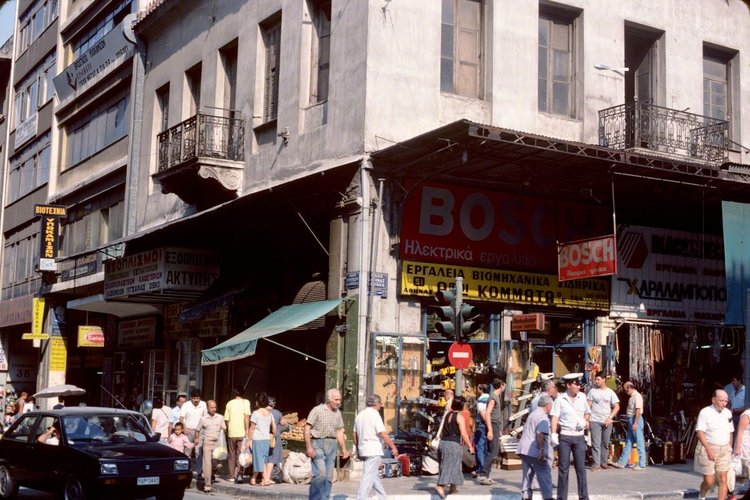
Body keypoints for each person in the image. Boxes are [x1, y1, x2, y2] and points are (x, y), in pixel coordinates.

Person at [304, 388, 350, 500]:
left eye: (340, 400)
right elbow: (307, 428)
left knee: (329, 477)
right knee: (321, 474)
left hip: (332, 445)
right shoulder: (317, 410)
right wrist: (309, 446)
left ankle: (324, 498)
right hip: (317, 443)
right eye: (336, 399)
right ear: (329, 399)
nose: (339, 402)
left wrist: (344, 448)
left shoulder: (338, 413)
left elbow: (339, 431)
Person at [551, 373, 590, 500]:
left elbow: (587, 413)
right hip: (565, 435)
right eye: (576, 384)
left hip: (578, 436)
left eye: (579, 384)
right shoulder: (560, 399)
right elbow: (555, 417)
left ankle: (583, 497)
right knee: (563, 469)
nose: (579, 386)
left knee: (581, 469)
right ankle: (562, 497)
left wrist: (584, 421)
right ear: (568, 385)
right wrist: (553, 433)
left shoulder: (583, 397)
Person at [353, 394, 398, 500]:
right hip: (373, 450)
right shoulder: (375, 415)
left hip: (363, 450)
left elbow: (354, 434)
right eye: (380, 404)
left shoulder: (360, 415)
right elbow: (383, 433)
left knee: (373, 476)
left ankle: (382, 497)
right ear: (376, 404)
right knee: (367, 478)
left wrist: (358, 448)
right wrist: (393, 447)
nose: (380, 406)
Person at [695, 389, 733, 500]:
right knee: (709, 480)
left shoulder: (728, 413)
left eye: (726, 401)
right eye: (721, 400)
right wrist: (708, 449)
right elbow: (700, 432)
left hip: (724, 449)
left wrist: (730, 447)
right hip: (708, 447)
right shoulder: (705, 412)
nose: (724, 403)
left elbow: (731, 431)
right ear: (713, 400)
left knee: (723, 479)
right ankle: (702, 494)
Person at [435, 396, 474, 499]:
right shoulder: (459, 417)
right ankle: (440, 485)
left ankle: (453, 487)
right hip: (453, 444)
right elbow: (464, 434)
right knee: (450, 465)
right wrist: (470, 446)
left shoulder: (448, 414)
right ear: (461, 406)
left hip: (443, 443)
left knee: (451, 465)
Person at [518, 394, 554, 500]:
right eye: (551, 405)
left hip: (524, 449)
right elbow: (540, 433)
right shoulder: (543, 417)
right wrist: (541, 449)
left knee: (527, 475)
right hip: (534, 450)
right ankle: (548, 497)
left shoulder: (533, 413)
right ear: (547, 405)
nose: (552, 408)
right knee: (545, 474)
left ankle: (526, 496)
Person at [587, 372, 620, 470]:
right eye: (595, 379)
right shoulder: (592, 391)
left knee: (605, 442)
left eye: (598, 379)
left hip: (607, 421)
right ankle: (596, 463)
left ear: (604, 379)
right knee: (595, 442)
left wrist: (610, 418)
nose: (596, 381)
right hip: (595, 420)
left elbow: (617, 406)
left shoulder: (610, 392)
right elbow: (588, 406)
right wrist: (587, 420)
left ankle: (604, 462)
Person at [612, 381, 646, 471]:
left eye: (625, 389)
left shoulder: (637, 396)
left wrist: (635, 423)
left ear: (629, 388)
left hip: (635, 419)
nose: (625, 391)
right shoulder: (632, 397)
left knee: (639, 442)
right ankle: (621, 462)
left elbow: (638, 410)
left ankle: (642, 464)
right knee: (629, 442)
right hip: (631, 419)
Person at [477, 378, 505, 485]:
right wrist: (490, 431)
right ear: (501, 385)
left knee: (492, 451)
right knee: (492, 452)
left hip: (495, 426)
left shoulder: (495, 396)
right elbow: (487, 413)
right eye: (504, 385)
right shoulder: (493, 397)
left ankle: (486, 475)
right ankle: (483, 474)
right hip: (492, 426)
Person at [195, 400, 226, 494]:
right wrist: (197, 439)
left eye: (215, 407)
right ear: (207, 408)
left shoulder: (220, 417)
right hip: (207, 443)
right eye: (211, 407)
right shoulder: (203, 419)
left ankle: (212, 474)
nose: (213, 409)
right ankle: (207, 486)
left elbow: (224, 428)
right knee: (207, 465)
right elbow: (197, 430)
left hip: (218, 444)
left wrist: (223, 431)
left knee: (218, 464)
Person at [248, 392, 276, 486]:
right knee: (262, 459)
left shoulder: (255, 413)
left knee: (258, 459)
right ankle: (253, 479)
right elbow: (274, 427)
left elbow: (252, 428)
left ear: (257, 402)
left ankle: (266, 479)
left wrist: (248, 440)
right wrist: (274, 436)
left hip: (258, 438)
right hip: (266, 439)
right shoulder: (269, 414)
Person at [224, 387, 251, 483]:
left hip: (232, 432)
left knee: (231, 454)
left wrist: (229, 429)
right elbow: (246, 417)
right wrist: (247, 430)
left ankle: (231, 476)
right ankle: (239, 474)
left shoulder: (229, 403)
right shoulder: (246, 402)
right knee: (241, 454)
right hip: (242, 432)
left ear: (234, 394)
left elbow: (226, 419)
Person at [180, 389, 207, 479]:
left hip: (199, 431)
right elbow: (182, 418)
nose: (196, 400)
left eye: (197, 398)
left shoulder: (203, 404)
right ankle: (186, 471)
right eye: (194, 398)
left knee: (198, 452)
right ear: (191, 398)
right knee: (187, 452)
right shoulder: (186, 405)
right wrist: (184, 427)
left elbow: (205, 417)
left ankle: (199, 472)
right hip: (188, 430)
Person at [266, 395, 290, 483]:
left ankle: (264, 476)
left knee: (265, 457)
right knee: (273, 457)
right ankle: (270, 477)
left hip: (263, 437)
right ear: (274, 404)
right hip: (274, 437)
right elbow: (283, 423)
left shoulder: (260, 412)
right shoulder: (277, 413)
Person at [473, 384, 489, 478]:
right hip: (488, 425)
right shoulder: (491, 399)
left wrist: (487, 423)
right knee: (486, 448)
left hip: (482, 425)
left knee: (479, 447)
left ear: (480, 389)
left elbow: (482, 412)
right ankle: (483, 468)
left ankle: (481, 469)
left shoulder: (481, 400)